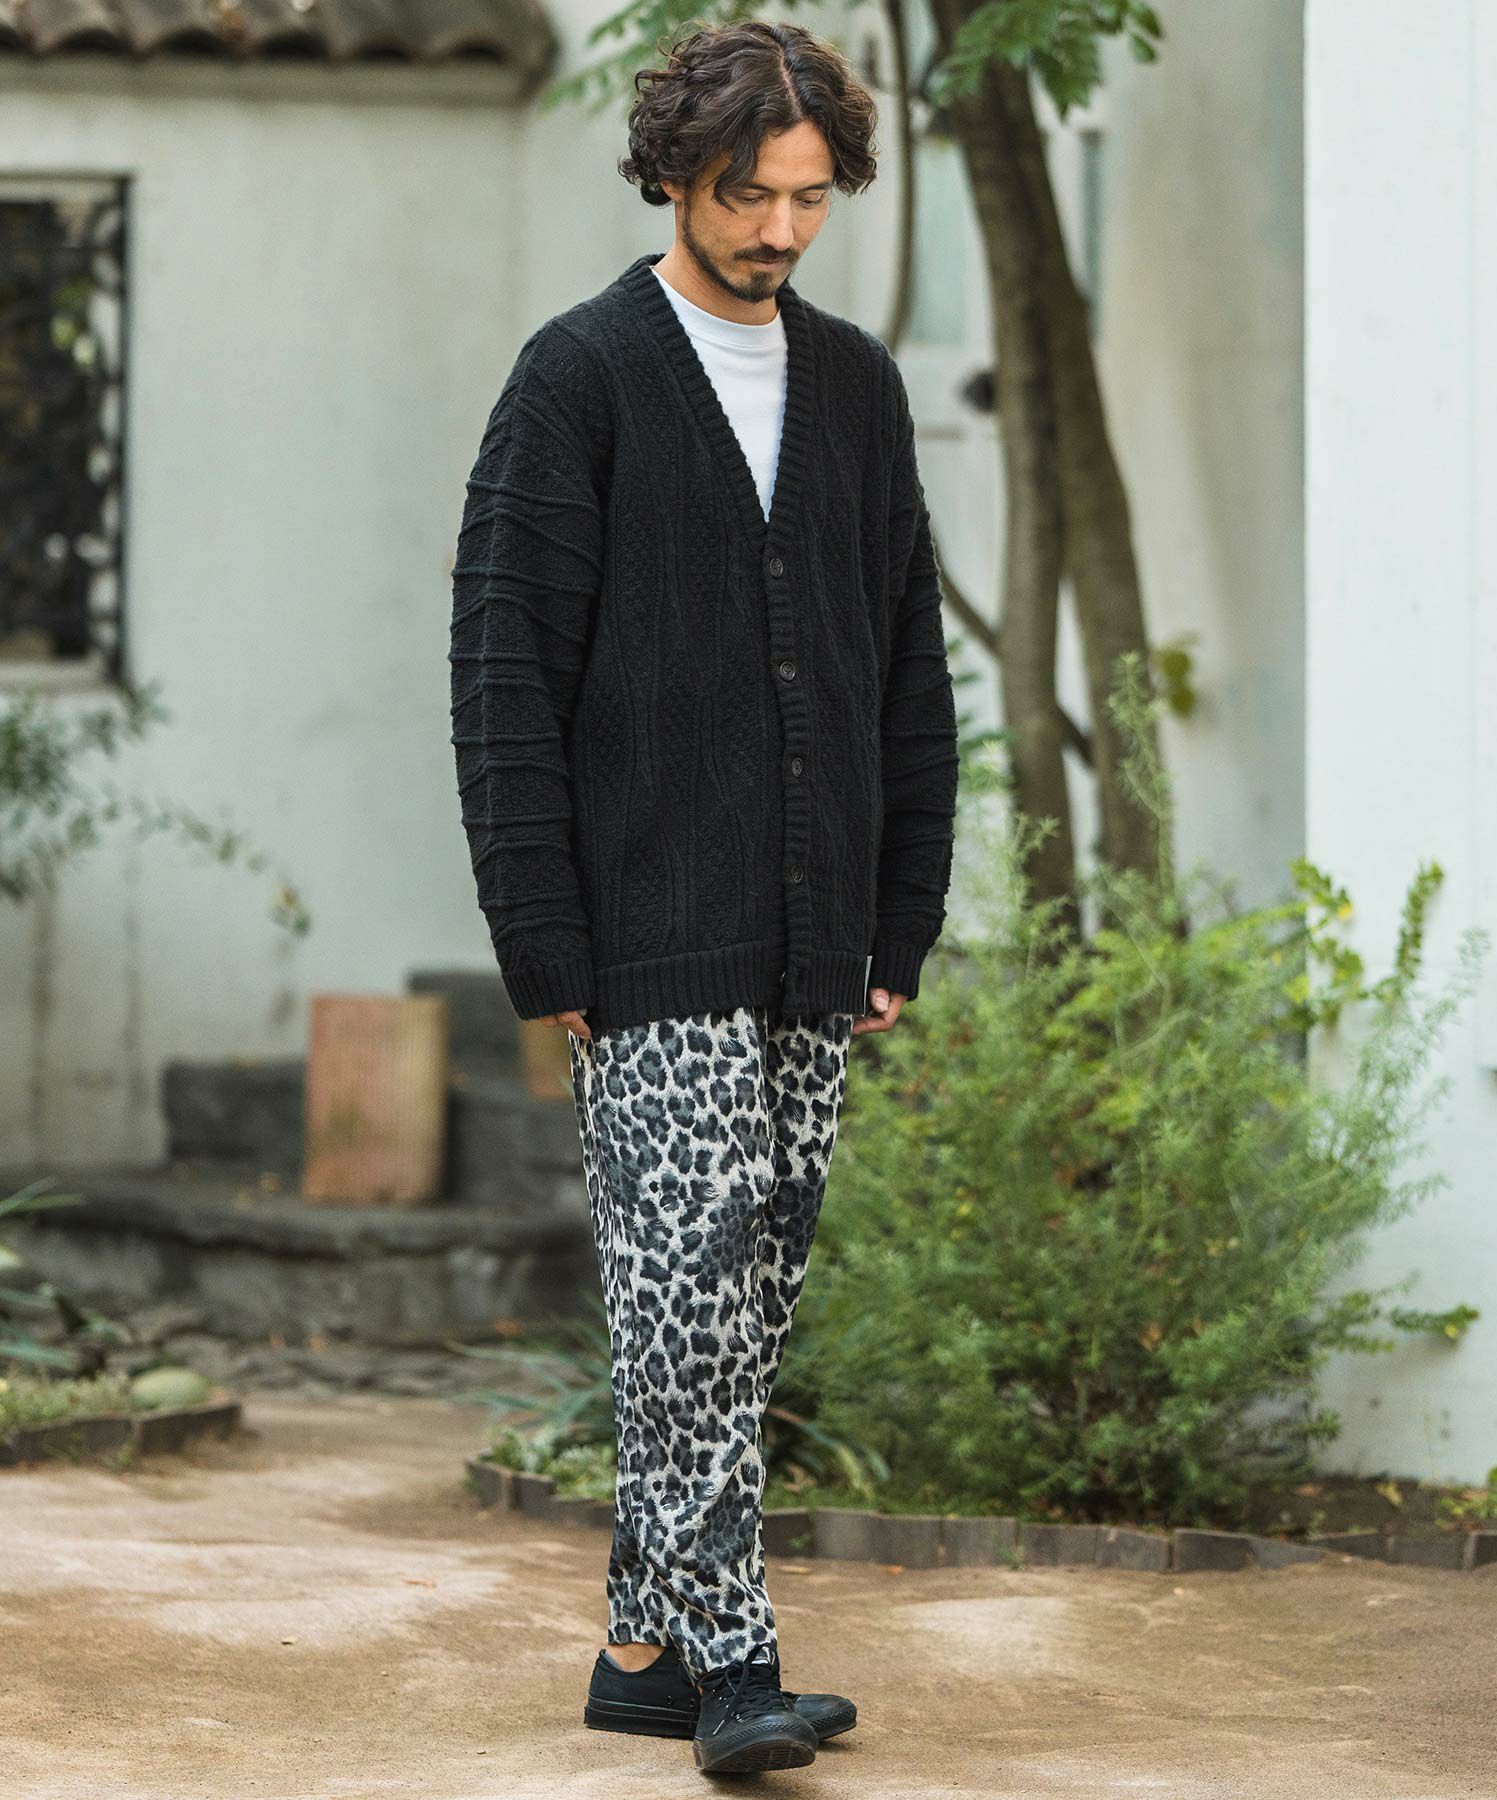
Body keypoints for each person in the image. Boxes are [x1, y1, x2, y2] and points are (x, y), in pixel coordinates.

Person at [448, 17, 959, 1777]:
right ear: (676, 173)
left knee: (748, 1303)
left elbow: (905, 665)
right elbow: (503, 674)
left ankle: (641, 1649)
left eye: (809, 198)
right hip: (645, 933)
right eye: (749, 194)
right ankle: (737, 1666)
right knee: (684, 1296)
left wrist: (902, 912)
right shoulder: (580, 376)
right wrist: (544, 935)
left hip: (817, 934)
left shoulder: (859, 389)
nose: (780, 231)